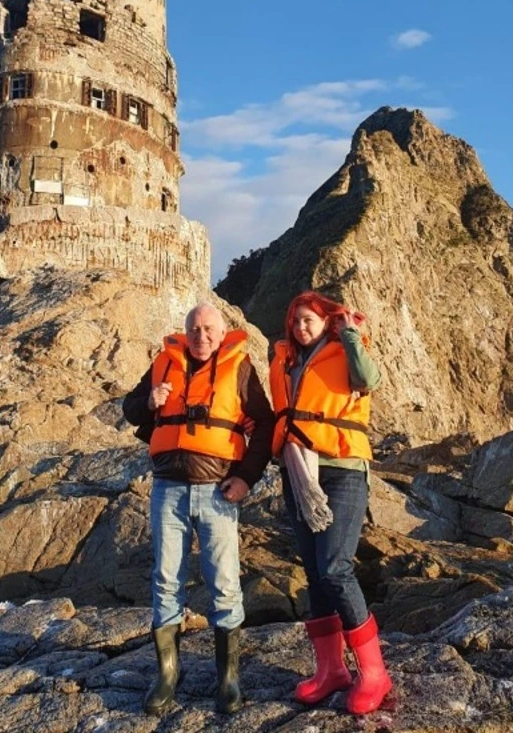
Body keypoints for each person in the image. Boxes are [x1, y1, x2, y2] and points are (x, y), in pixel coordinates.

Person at [123, 302, 275, 716]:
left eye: (209, 329)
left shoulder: (239, 368)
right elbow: (129, 408)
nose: (201, 335)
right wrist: (150, 401)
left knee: (224, 581)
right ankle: (167, 675)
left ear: (222, 333)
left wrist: (245, 478)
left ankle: (228, 679)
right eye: (194, 328)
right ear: (185, 331)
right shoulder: (163, 364)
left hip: (217, 493)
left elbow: (264, 424)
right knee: (165, 578)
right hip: (167, 489)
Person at [270, 290, 393, 715]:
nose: (300, 327)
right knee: (314, 573)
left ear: (326, 321)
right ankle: (331, 671)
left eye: (309, 319)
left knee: (335, 568)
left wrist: (351, 335)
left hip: (342, 470)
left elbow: (369, 380)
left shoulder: (346, 350)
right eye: (295, 321)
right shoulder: (287, 362)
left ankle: (374, 674)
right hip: (299, 472)